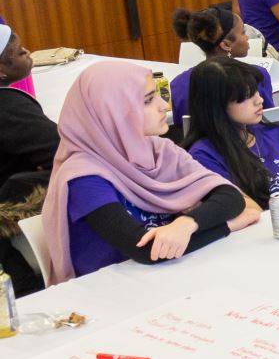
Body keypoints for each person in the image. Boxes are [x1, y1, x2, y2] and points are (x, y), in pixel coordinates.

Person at [40, 62, 257, 284]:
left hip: (169, 275)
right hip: (113, 291)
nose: (164, 105)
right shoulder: (83, 178)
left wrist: (187, 224)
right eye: (147, 100)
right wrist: (226, 226)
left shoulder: (159, 150)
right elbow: (148, 251)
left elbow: (230, 197)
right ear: (112, 113)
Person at [184, 59, 279, 204]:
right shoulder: (204, 156)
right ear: (217, 105)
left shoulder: (276, 133)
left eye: (256, 91)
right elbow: (245, 211)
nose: (259, 100)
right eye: (247, 96)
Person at [0, 21, 57, 295]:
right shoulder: (8, 107)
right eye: (21, 52)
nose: (29, 52)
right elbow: (63, 152)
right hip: (9, 235)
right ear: (1, 71)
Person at [168, 5, 274, 124]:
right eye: (243, 32)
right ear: (226, 45)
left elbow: (182, 129)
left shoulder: (178, 84)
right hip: (247, 141)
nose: (247, 37)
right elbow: (268, 122)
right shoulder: (256, 76)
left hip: (200, 142)